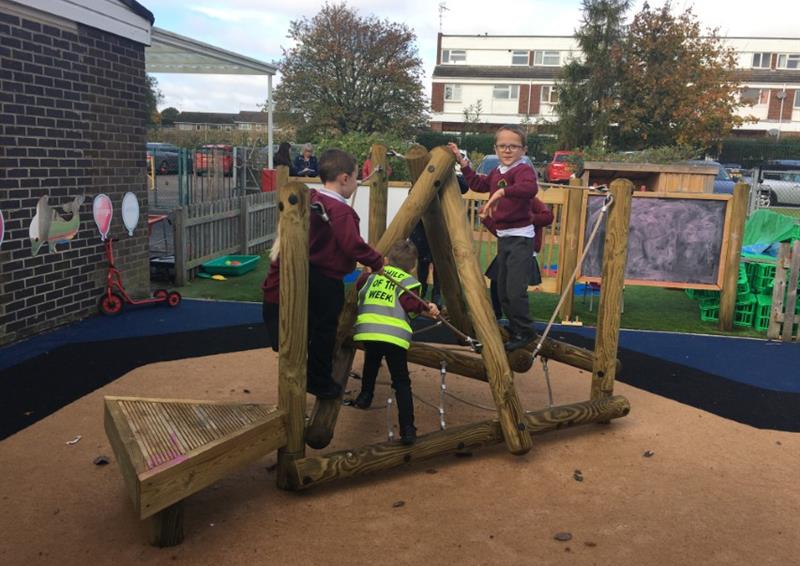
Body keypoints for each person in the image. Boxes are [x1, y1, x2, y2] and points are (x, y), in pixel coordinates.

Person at [262, 149, 384, 399]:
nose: (357, 181)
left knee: (302, 325)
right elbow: (352, 244)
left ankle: (301, 366)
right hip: (325, 279)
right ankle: (319, 380)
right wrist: (377, 260)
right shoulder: (339, 211)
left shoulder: (312, 198)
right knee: (324, 330)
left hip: (299, 273)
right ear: (344, 178)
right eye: (355, 176)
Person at [448, 125, 539, 351]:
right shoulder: (497, 172)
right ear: (495, 148)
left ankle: (526, 331)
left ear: (523, 150)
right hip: (505, 238)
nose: (508, 150)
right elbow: (478, 184)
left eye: (513, 146)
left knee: (515, 291)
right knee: (502, 291)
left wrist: (502, 192)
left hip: (521, 239)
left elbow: (529, 189)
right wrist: (463, 163)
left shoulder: (523, 170)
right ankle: (515, 328)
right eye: (502, 146)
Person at [352, 240, 440, 445]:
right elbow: (412, 305)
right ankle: (408, 429)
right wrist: (430, 308)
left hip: (369, 332)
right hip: (393, 337)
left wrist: (368, 270)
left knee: (371, 362)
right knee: (401, 381)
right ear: (412, 266)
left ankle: (365, 395)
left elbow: (359, 285)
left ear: (387, 259)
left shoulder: (370, 276)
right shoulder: (408, 283)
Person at [485, 196, 554, 321]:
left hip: (524, 249)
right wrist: (486, 220)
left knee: (515, 291)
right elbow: (501, 232)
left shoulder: (530, 200)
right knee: (496, 284)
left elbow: (548, 217)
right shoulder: (506, 204)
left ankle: (519, 325)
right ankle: (497, 315)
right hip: (508, 248)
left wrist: (529, 218)